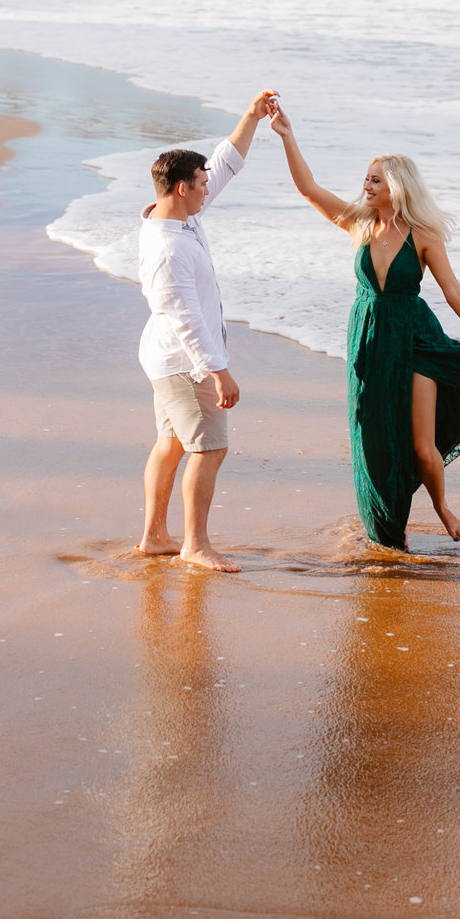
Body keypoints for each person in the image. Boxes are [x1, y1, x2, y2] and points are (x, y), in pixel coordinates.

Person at [267, 103, 460, 548]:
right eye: (366, 178)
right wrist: (286, 136)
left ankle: (441, 507)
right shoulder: (359, 225)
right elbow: (307, 188)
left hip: (416, 339)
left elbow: (454, 291)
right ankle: (384, 529)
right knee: (371, 435)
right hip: (369, 340)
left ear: (397, 186)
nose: (367, 185)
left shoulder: (423, 236)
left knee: (420, 446)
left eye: (376, 179)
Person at [136, 90, 278, 572]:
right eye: (199, 184)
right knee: (209, 448)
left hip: (166, 357)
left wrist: (251, 117)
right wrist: (218, 373)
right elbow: (184, 316)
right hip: (184, 362)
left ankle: (156, 535)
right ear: (181, 188)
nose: (207, 188)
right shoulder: (168, 249)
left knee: (172, 443)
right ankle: (194, 545)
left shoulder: (177, 215)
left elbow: (224, 163)